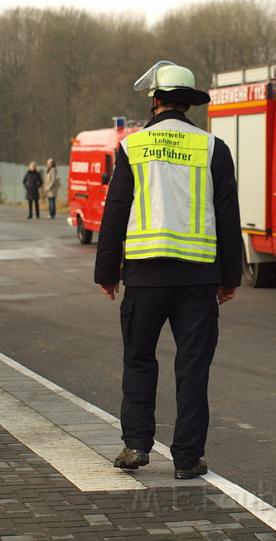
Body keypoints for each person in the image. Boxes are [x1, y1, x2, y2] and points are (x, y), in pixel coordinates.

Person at [94, 61, 242, 480]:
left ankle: (136, 445)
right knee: (192, 367)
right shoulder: (213, 148)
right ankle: (187, 459)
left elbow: (116, 211)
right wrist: (230, 276)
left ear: (156, 99)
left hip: (145, 276)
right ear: (190, 104)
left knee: (139, 360)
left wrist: (107, 271)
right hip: (197, 279)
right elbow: (227, 216)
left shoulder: (132, 146)